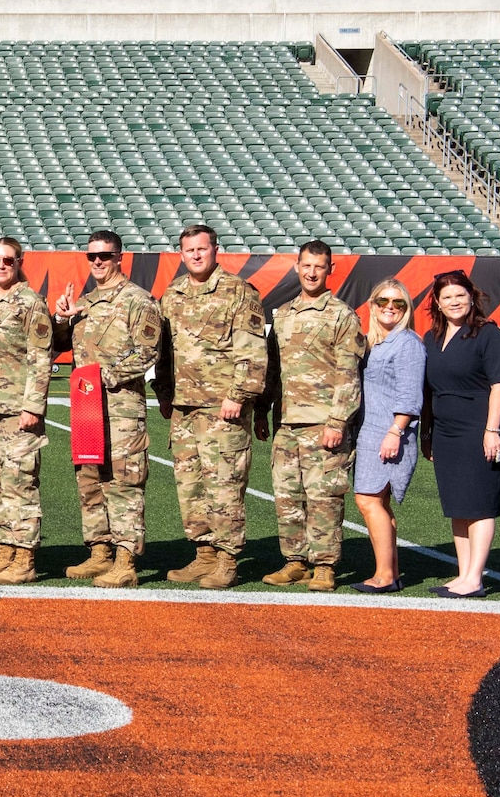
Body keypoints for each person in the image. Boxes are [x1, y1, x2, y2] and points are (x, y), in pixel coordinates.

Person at [154, 224, 267, 589]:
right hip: (185, 410)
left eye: (202, 249)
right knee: (190, 488)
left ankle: (227, 559)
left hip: (223, 409)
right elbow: (164, 353)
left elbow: (252, 352)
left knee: (224, 488)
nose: (197, 256)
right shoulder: (173, 294)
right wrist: (165, 393)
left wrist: (238, 395)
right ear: (182, 255)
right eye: (189, 251)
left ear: (215, 249)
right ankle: (203, 554)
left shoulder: (239, 292)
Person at [51, 229, 161, 589]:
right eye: (92, 256)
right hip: (87, 407)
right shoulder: (86, 302)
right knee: (90, 481)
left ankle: (126, 560)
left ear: (119, 257)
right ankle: (100, 552)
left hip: (121, 408)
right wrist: (63, 319)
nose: (97, 261)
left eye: (105, 255)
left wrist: (107, 376)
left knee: (124, 482)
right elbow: (61, 346)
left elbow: (147, 352)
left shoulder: (137, 300)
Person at [257, 241, 365, 592]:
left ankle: (325, 565)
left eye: (319, 266)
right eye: (306, 265)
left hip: (323, 424)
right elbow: (272, 369)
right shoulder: (283, 313)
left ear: (329, 269)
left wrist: (337, 421)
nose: (312, 272)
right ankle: (295, 561)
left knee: (324, 498)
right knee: (287, 497)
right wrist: (261, 410)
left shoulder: (341, 315)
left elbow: (349, 374)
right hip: (286, 423)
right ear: (297, 266)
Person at [421, 269, 500, 598]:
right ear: (437, 303)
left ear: (471, 297)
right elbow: (428, 391)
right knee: (458, 506)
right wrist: (427, 433)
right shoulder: (431, 338)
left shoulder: (488, 334)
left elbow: (498, 386)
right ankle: (462, 575)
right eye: (447, 297)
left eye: (460, 295)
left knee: (479, 505)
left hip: (479, 428)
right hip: (445, 430)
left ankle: (475, 577)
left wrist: (491, 430)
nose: (454, 302)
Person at [0, 236, 53, 585]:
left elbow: (41, 357)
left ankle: (25, 558)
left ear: (20, 262)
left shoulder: (30, 303)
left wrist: (33, 406)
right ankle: (5, 550)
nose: (0, 265)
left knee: (20, 484)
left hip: (18, 410)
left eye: (8, 259)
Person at [351, 278, 424, 593]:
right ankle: (390, 572)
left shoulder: (407, 342)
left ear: (407, 309)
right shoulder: (374, 341)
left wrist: (396, 431)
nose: (390, 308)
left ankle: (383, 575)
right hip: (371, 431)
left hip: (388, 431)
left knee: (368, 500)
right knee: (376, 501)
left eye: (399, 303)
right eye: (383, 301)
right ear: (372, 305)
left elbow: (410, 394)